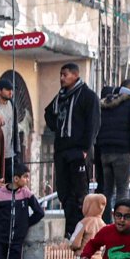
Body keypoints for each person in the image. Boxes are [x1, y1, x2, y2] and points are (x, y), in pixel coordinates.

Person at [45, 62, 100, 238]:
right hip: (62, 151)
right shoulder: (61, 97)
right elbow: (48, 112)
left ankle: (81, 230)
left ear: (75, 75)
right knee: (63, 191)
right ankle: (70, 230)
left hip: (78, 152)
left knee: (79, 194)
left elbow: (93, 124)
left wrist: (85, 148)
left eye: (65, 75)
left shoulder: (88, 96)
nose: (62, 78)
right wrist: (57, 127)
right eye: (61, 75)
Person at [95, 79, 130, 210]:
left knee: (107, 190)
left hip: (105, 152)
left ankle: (105, 224)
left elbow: (96, 126)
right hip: (123, 152)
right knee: (122, 191)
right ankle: (120, 224)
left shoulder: (104, 104)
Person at [0, 75, 26, 178]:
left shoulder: (12, 105)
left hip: (11, 152)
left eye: (12, 90)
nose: (11, 92)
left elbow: (15, 128)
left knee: (12, 181)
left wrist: (17, 149)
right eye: (8, 89)